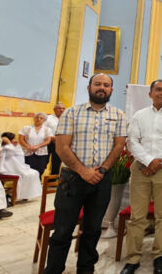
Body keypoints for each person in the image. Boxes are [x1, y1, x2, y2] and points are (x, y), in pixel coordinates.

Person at [44, 74, 127, 274]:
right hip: (72, 179)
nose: (102, 88)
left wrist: (103, 169)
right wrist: (83, 171)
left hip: (102, 179)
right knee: (63, 230)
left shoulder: (118, 115)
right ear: (89, 87)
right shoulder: (72, 113)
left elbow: (119, 146)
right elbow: (62, 147)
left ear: (111, 90)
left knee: (93, 229)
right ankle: (54, 270)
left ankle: (86, 269)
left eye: (106, 85)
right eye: (97, 84)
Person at [121, 80, 162, 274]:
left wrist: (157, 163)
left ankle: (159, 255)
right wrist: (149, 161)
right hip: (141, 167)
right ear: (150, 94)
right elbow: (132, 141)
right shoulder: (140, 115)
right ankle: (133, 258)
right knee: (137, 216)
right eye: (158, 90)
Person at [0, 132, 42, 201]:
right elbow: (10, 154)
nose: (15, 140)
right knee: (26, 175)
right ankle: (20, 195)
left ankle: (25, 195)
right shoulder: (4, 147)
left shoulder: (14, 146)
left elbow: (20, 156)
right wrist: (9, 144)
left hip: (17, 166)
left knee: (34, 173)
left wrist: (15, 146)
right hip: (7, 169)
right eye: (13, 139)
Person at [44, 102, 66, 175]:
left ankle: (52, 182)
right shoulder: (48, 118)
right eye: (59, 108)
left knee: (57, 163)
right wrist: (51, 137)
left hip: (60, 144)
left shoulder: (67, 119)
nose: (61, 110)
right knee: (44, 161)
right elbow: (43, 129)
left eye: (63, 108)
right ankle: (38, 180)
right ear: (54, 109)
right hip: (48, 142)